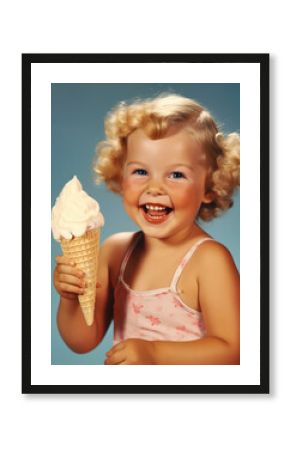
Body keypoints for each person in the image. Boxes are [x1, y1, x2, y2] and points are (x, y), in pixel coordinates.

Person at [54, 93, 240, 365]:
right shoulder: (116, 251)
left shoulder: (209, 261)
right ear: (120, 173)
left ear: (210, 187)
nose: (154, 188)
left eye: (176, 174)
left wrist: (154, 354)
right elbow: (82, 341)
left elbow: (234, 350)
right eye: (141, 171)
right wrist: (70, 299)